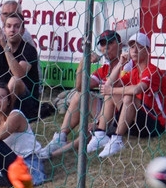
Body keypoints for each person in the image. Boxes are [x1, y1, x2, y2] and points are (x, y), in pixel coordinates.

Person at [87, 32, 166, 158]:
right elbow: (111, 84)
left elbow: (137, 89)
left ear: (148, 50)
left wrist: (111, 90)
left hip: (157, 124)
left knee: (128, 96)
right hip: (138, 122)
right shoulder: (133, 72)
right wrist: (120, 64)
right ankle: (101, 134)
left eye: (139, 46)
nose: (134, 50)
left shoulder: (152, 71)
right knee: (114, 92)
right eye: (132, 47)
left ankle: (117, 140)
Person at [41, 30, 123, 159]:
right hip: (106, 111)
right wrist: (83, 62)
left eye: (110, 43)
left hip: (122, 114)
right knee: (80, 95)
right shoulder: (104, 70)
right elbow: (80, 87)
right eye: (102, 44)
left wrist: (98, 122)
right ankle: (60, 138)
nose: (105, 47)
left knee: (108, 93)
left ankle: (52, 155)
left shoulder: (127, 66)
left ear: (120, 45)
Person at [0, 11, 42, 121]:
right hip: (1, 97)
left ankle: (4, 120)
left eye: (16, 26)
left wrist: (5, 47)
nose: (12, 30)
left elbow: (19, 74)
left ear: (23, 30)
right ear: (4, 30)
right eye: (8, 26)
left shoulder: (28, 50)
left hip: (25, 101)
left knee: (15, 80)